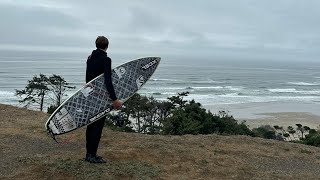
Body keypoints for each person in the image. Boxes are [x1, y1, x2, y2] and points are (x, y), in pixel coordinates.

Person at [85, 36, 122, 163]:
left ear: (96, 45)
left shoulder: (89, 58)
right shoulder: (106, 59)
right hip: (101, 98)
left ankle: (89, 154)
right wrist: (114, 99)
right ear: (107, 45)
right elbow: (108, 81)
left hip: (91, 95)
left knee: (91, 124)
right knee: (98, 126)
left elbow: (88, 80)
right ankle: (92, 156)